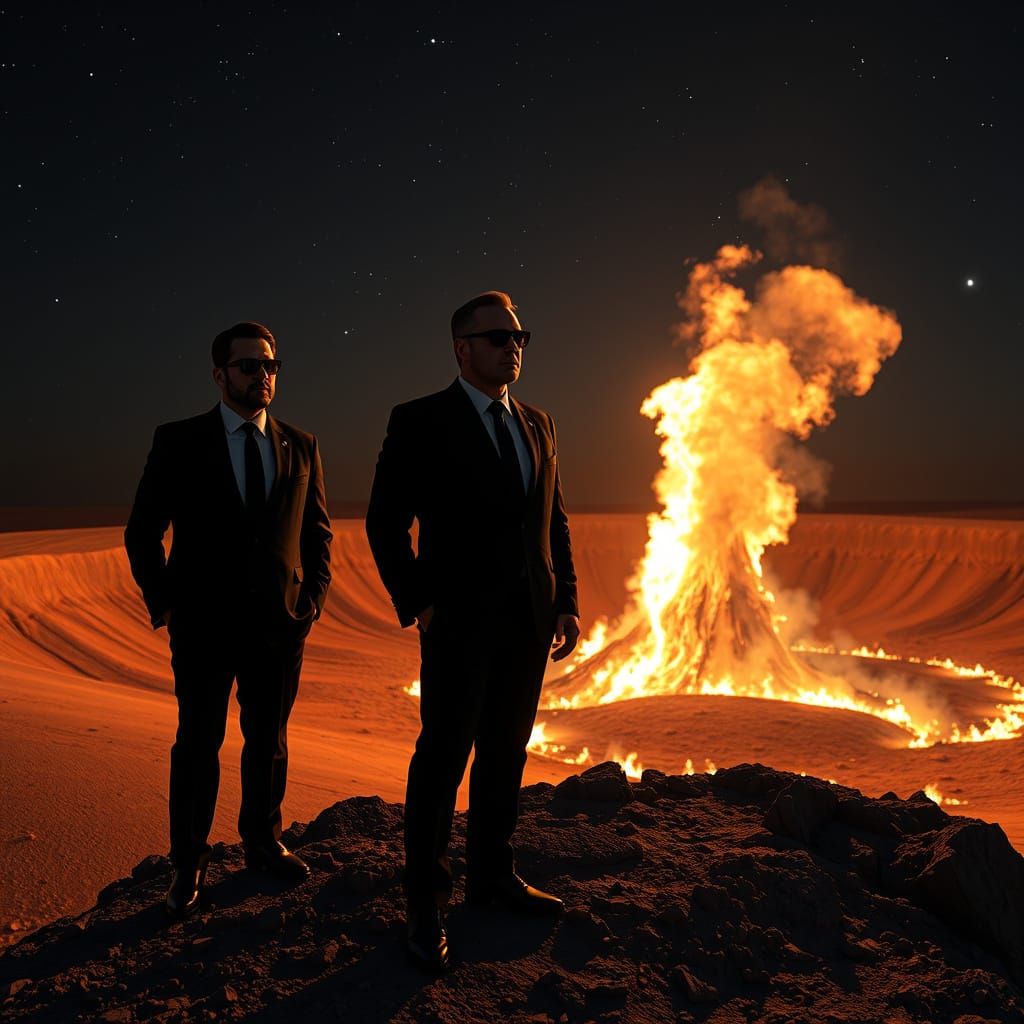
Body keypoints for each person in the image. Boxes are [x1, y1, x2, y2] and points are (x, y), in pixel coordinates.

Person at [366, 291, 580, 970]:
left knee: (506, 753)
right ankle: (425, 908)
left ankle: (492, 876)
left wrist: (565, 599)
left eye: (520, 336)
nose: (512, 347)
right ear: (463, 349)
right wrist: (422, 603)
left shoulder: (538, 423)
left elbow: (554, 521)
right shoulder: (421, 420)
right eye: (497, 338)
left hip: (529, 623)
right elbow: (383, 522)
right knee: (441, 761)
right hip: (458, 622)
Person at [124, 321, 332, 919]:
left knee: (269, 741)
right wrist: (166, 603)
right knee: (198, 743)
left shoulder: (301, 444)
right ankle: (187, 864)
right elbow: (142, 531)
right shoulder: (179, 439)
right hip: (203, 628)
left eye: (270, 365)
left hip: (279, 627)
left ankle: (262, 842)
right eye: (248, 366)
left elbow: (317, 533)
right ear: (220, 375)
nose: (262, 375)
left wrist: (310, 600)